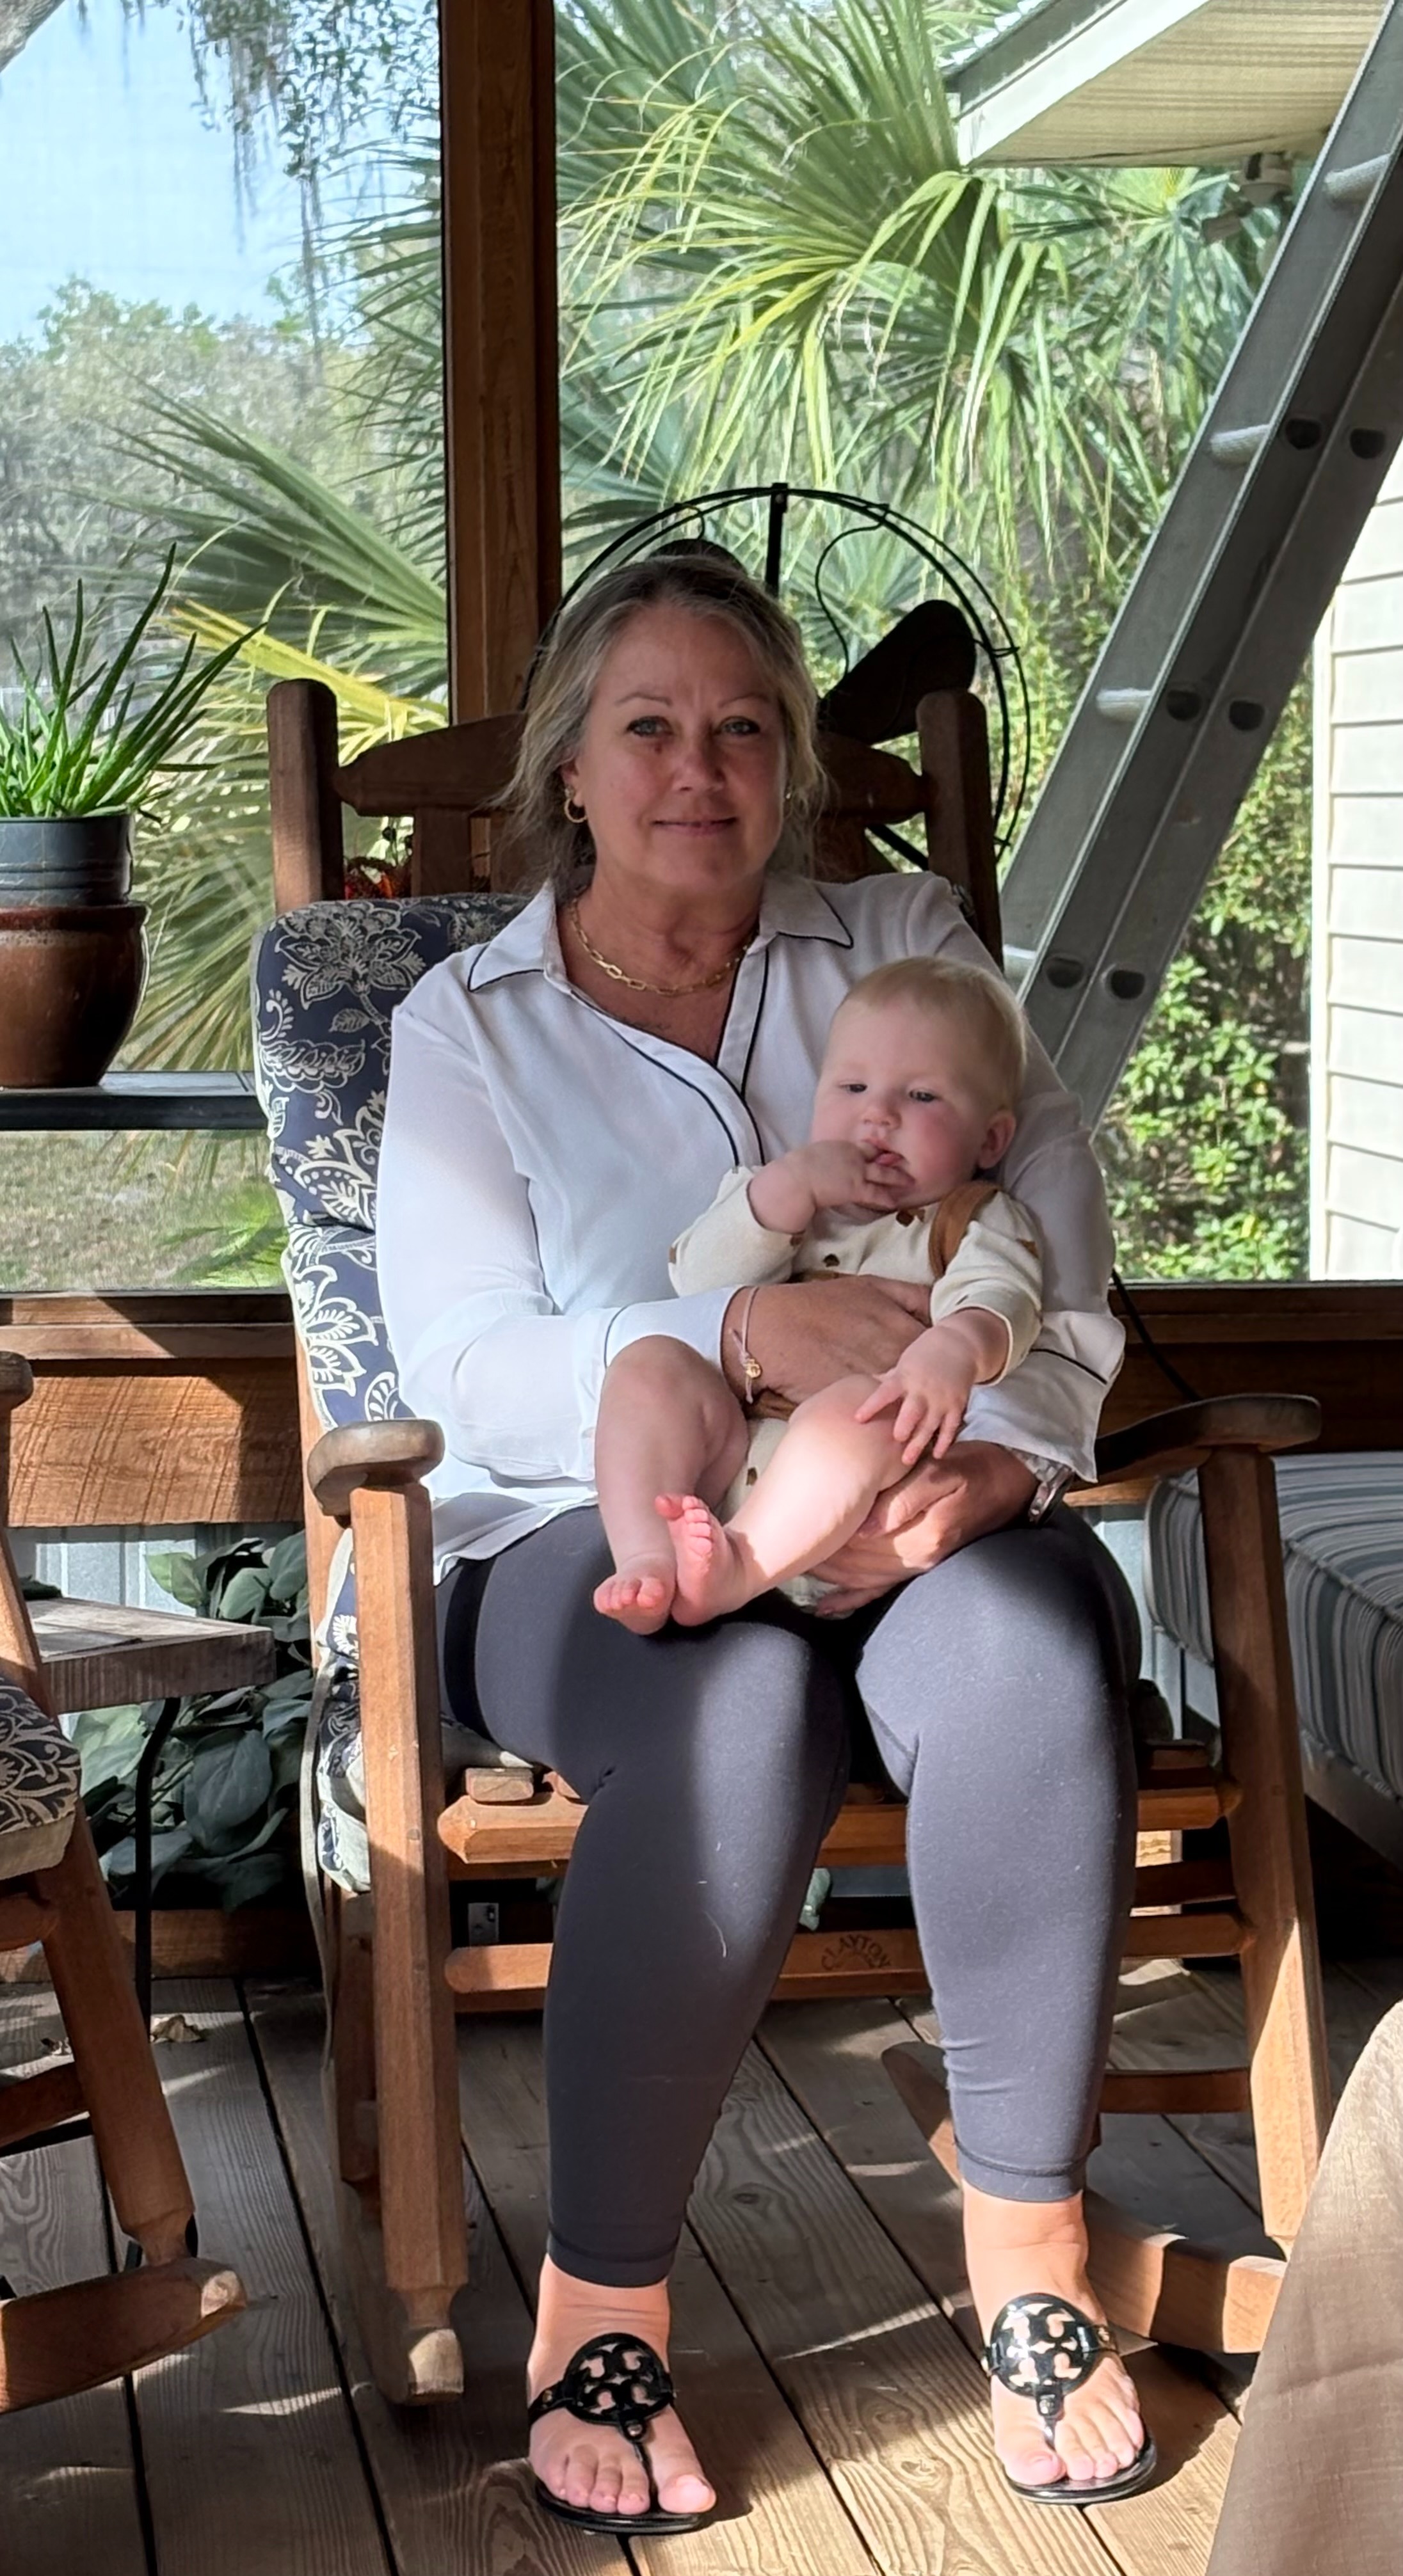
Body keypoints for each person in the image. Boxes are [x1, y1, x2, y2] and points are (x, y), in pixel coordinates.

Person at [376, 546, 1154, 2533]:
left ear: (792, 764)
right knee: (733, 1712)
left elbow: (1052, 1252)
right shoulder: (471, 1022)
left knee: (1030, 1651)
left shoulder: (902, 941)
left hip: (910, 1486)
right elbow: (455, 1365)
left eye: (741, 727)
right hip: (592, 1527)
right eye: (646, 725)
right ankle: (601, 2300)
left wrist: (990, 1470)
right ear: (570, 768)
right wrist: (722, 1330)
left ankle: (1031, 2248)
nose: (695, 768)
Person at [592, 953, 1043, 1629]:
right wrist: (788, 1192)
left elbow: (1004, 1298)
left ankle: (739, 1568)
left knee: (869, 1405)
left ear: (990, 1138)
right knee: (647, 1362)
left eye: (921, 1097)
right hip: (725, 1470)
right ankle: (648, 1561)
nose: (878, 1115)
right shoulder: (777, 1196)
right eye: (853, 1087)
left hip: (854, 1519)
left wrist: (955, 1346)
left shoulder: (973, 1221)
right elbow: (696, 1283)